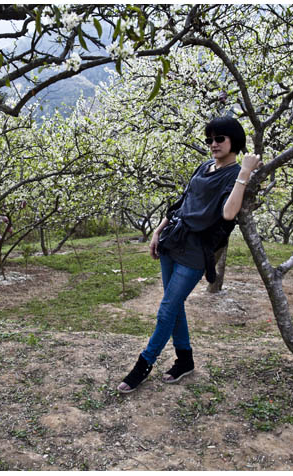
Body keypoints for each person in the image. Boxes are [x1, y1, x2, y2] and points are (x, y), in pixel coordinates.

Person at [117, 116, 262, 394]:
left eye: (219, 138)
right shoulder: (205, 166)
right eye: (209, 139)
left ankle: (143, 364)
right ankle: (185, 360)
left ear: (234, 140)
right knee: (174, 305)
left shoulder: (235, 175)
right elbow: (182, 202)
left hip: (197, 251)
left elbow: (228, 213)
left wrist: (245, 172)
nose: (213, 144)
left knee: (167, 309)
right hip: (173, 240)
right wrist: (158, 230)